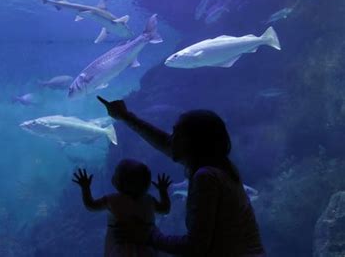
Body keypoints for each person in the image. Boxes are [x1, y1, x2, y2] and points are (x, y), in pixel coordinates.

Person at [97, 96, 266, 257]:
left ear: (193, 142)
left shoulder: (206, 177)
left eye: (176, 133)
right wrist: (126, 117)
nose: (172, 138)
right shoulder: (221, 168)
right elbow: (164, 143)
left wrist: (146, 235)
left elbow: (195, 246)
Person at [72, 159, 172, 257]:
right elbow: (165, 209)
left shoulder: (112, 200)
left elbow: (91, 206)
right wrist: (163, 191)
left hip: (119, 249)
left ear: (119, 181)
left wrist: (85, 188)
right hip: (147, 249)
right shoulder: (149, 200)